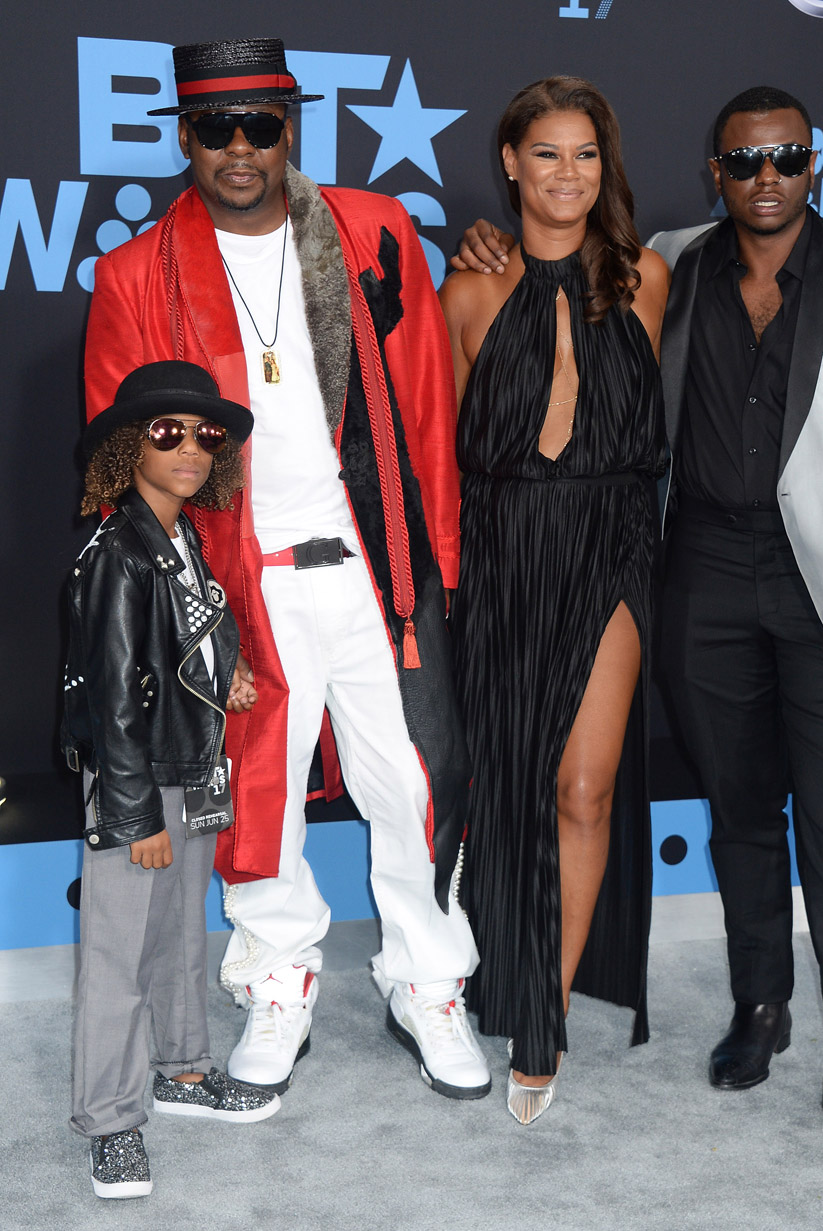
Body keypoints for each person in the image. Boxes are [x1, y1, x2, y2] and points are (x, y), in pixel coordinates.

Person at [455, 83, 823, 1136]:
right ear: (714, 173)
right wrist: (488, 249)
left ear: (812, 163)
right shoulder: (674, 262)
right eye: (744, 163)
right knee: (737, 812)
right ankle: (759, 1007)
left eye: (785, 159)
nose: (765, 178)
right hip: (699, 575)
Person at [84, 38, 489, 1101]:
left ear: (290, 127)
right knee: (259, 794)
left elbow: (426, 408)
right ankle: (277, 978)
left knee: (413, 780)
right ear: (184, 136)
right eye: (216, 127)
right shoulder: (136, 274)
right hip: (236, 579)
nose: (240, 148)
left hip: (372, 563)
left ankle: (426, 979)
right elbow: (121, 459)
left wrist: (437, 560)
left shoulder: (371, 232)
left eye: (260, 123)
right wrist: (174, 603)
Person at [439, 77, 669, 1123]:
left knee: (585, 787)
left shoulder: (647, 280)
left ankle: (549, 1015)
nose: (566, 174)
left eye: (584, 155)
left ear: (602, 165)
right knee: (513, 790)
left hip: (612, 547)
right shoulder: (472, 289)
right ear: (510, 163)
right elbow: (446, 456)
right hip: (502, 555)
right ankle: (504, 974)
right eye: (546, 154)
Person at [63, 360, 278, 1199]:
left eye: (206, 434)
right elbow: (111, 699)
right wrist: (132, 818)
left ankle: (183, 1070)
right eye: (166, 432)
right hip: (138, 786)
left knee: (183, 936)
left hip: (187, 771)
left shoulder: (180, 539)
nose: (190, 447)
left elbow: (175, 648)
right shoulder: (118, 552)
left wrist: (224, 675)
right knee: (118, 956)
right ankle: (111, 1119)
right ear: (129, 445)